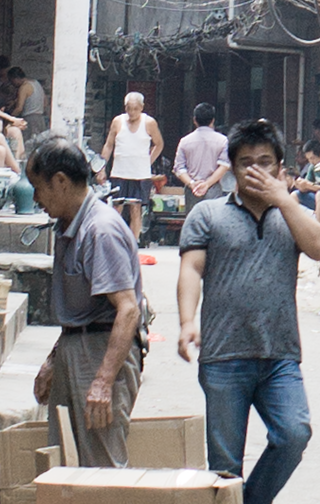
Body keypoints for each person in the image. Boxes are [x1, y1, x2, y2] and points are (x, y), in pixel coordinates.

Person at [178, 120, 320, 504]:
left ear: (281, 167)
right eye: (246, 163)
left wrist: (285, 198)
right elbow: (190, 269)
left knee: (294, 434)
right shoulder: (208, 214)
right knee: (225, 463)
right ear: (230, 168)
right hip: (225, 355)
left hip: (280, 353)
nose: (255, 170)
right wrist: (188, 320)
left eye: (265, 162)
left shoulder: (292, 214)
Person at [28, 138, 144, 467]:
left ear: (61, 182)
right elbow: (79, 311)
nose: (36, 199)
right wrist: (55, 358)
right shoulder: (72, 225)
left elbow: (128, 308)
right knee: (65, 462)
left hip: (100, 352)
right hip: (77, 346)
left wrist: (103, 380)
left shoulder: (100, 230)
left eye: (39, 188)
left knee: (101, 469)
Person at [101, 92, 165, 243]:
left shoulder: (149, 123)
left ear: (142, 108)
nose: (132, 113)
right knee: (116, 209)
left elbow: (159, 144)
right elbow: (109, 145)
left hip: (139, 174)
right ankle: (113, 242)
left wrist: (147, 161)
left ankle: (132, 243)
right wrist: (102, 168)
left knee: (136, 210)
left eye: (135, 109)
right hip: (119, 172)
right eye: (129, 109)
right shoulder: (118, 121)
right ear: (125, 108)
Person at [172, 103, 232, 200]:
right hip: (214, 188)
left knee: (193, 215)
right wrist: (207, 184)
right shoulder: (223, 141)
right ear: (213, 120)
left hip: (192, 190)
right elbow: (224, 166)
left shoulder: (184, 141)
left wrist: (192, 184)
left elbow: (179, 168)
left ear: (194, 120)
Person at [8, 66, 48, 139]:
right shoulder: (36, 83)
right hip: (40, 118)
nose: (12, 84)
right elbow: (45, 102)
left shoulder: (24, 87)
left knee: (29, 143)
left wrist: (10, 118)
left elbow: (19, 108)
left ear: (15, 78)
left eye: (11, 81)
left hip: (30, 119)